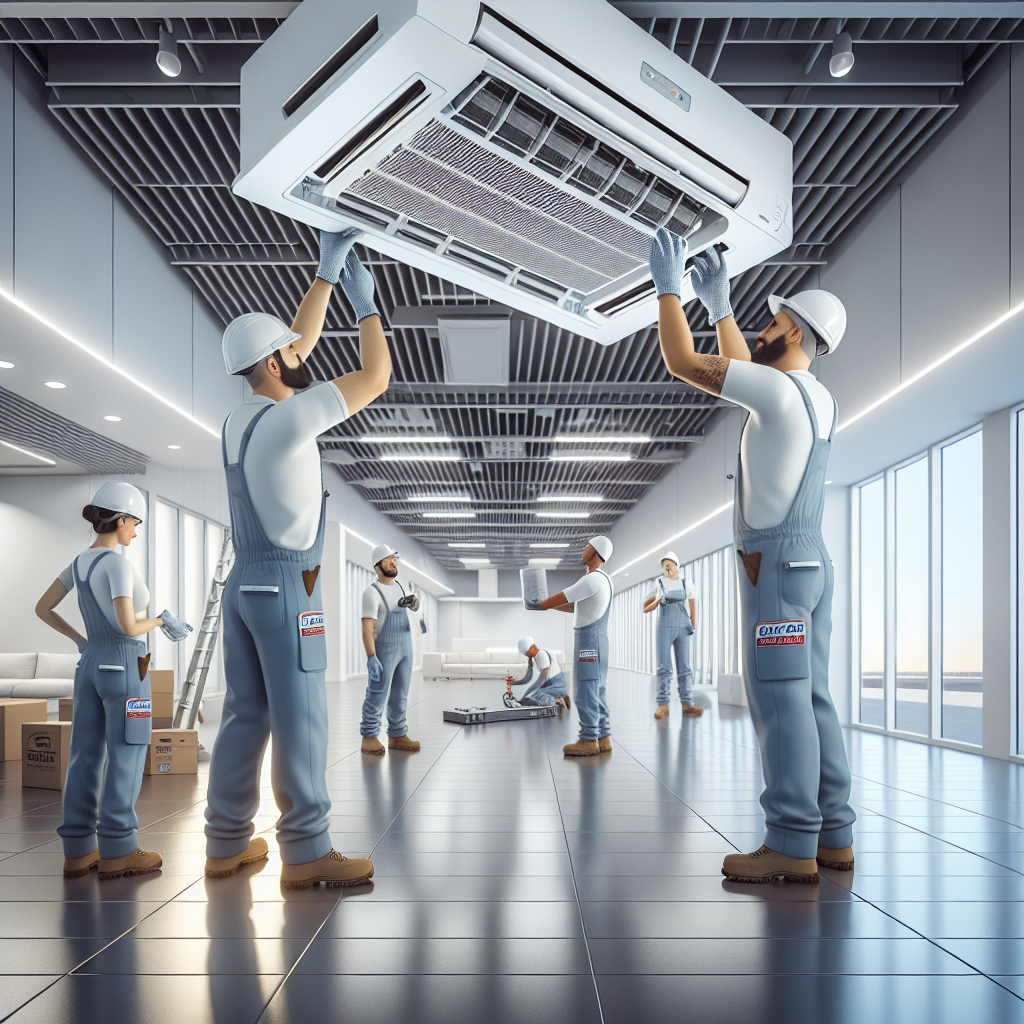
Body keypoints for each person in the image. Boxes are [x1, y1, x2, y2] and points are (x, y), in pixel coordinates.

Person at [650, 228, 856, 883]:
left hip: (777, 572)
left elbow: (684, 362)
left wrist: (669, 288)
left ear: (794, 334)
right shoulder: (813, 396)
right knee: (814, 697)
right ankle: (834, 835)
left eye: (773, 322)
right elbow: (750, 377)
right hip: (811, 562)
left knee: (779, 700)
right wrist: (723, 307)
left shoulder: (778, 392)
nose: (765, 331)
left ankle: (792, 843)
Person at [204, 228, 391, 889]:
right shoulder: (288, 422)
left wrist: (326, 275)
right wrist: (369, 306)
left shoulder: (241, 418)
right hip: (289, 592)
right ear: (276, 365)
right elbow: (375, 376)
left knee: (245, 713)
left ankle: (225, 841)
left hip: (243, 586)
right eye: (290, 349)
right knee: (302, 713)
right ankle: (308, 849)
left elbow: (296, 348)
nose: (300, 350)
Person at [35, 482, 190, 879]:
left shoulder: (79, 563)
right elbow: (127, 625)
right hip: (125, 664)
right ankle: (120, 848)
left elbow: (43, 608)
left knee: (84, 755)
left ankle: (79, 850)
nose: (135, 532)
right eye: (134, 524)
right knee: (128, 753)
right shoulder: (118, 564)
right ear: (120, 520)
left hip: (90, 665)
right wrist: (162, 619)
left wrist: (81, 641)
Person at [529, 536, 614, 757]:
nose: (583, 550)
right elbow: (574, 607)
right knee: (598, 690)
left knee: (585, 691)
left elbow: (563, 596)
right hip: (599, 640)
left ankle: (588, 740)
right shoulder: (604, 579)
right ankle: (603, 738)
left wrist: (539, 603)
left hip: (588, 641)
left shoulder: (591, 579)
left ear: (596, 552)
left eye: (587, 547)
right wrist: (549, 607)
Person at [359, 544, 421, 756]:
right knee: (377, 693)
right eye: (388, 559)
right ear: (378, 566)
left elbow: (412, 608)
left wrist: (414, 603)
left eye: (395, 559)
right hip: (385, 648)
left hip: (405, 645)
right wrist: (371, 656)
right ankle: (369, 737)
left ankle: (397, 735)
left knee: (400, 693)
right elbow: (368, 629)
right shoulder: (371, 592)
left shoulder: (400, 588)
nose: (393, 563)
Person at [643, 551, 700, 718]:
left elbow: (691, 601)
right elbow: (646, 604)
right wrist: (656, 599)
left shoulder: (685, 582)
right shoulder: (659, 582)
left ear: (676, 565)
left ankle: (687, 703)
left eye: (669, 564)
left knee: (684, 667)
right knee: (663, 666)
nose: (666, 567)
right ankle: (663, 704)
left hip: (683, 625)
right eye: (663, 565)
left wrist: (693, 623)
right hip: (664, 625)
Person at [513, 637, 570, 709]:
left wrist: (530, 692)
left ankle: (558, 701)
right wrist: (514, 683)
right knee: (534, 695)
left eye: (528, 653)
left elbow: (542, 678)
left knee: (539, 697)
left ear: (533, 647)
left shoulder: (541, 655)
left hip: (557, 684)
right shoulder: (536, 657)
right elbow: (528, 678)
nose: (528, 656)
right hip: (549, 683)